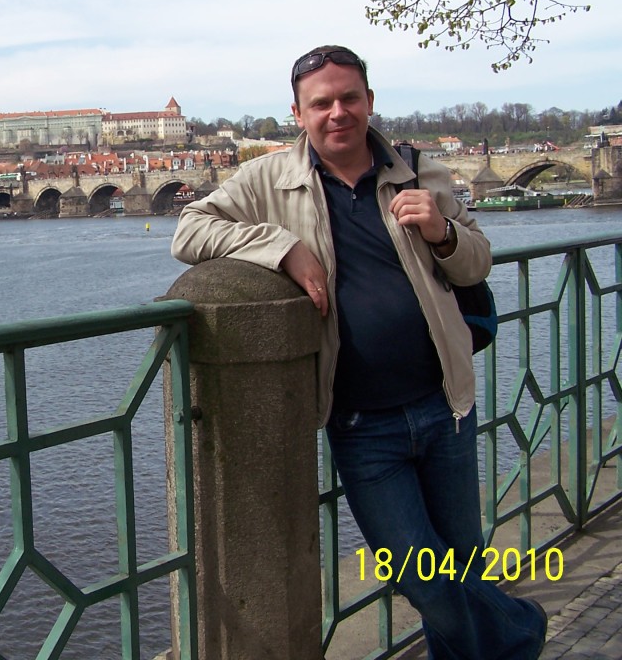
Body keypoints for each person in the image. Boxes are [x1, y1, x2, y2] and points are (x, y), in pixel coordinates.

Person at [171, 45, 547, 659]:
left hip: (445, 404)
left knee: (462, 565)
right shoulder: (269, 179)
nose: (338, 112)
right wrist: (280, 248)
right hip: (361, 423)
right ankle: (521, 628)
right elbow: (189, 230)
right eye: (321, 103)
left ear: (369, 101)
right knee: (422, 576)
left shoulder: (417, 170)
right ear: (298, 113)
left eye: (349, 98)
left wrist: (443, 231)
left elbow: (477, 261)